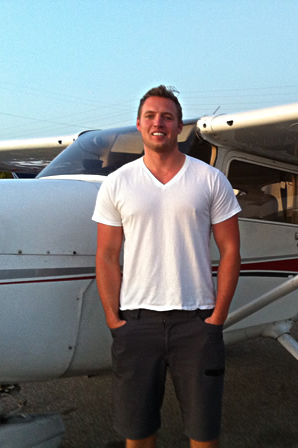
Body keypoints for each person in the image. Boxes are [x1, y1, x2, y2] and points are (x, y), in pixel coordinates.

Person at [92, 85, 241, 448]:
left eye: (168, 117)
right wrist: (115, 320)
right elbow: (107, 255)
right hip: (136, 324)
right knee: (138, 433)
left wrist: (217, 318)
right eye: (151, 116)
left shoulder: (209, 179)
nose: (159, 122)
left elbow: (231, 249)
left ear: (178, 128)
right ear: (139, 125)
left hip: (197, 323)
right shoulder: (117, 184)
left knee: (204, 434)